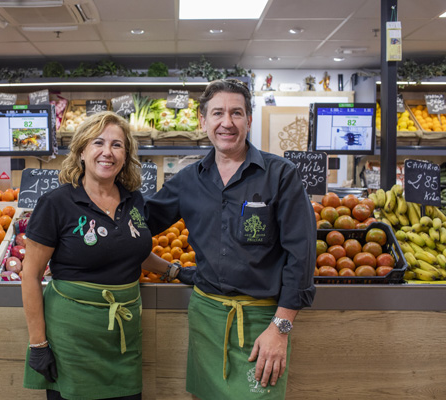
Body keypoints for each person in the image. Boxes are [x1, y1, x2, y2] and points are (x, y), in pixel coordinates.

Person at [143, 79, 316, 399]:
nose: (227, 122)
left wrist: (280, 329)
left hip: (263, 323)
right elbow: (141, 223)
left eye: (236, 113)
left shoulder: (281, 174)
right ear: (203, 121)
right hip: (206, 319)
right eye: (217, 113)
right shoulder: (188, 180)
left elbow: (302, 256)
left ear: (249, 120)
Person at [21, 111, 174, 400]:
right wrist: (38, 344)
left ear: (126, 155)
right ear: (81, 151)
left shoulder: (133, 199)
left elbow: (130, 251)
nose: (108, 152)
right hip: (72, 338)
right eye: (98, 143)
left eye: (117, 145)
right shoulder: (56, 203)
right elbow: (30, 274)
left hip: (122, 337)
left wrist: (173, 270)